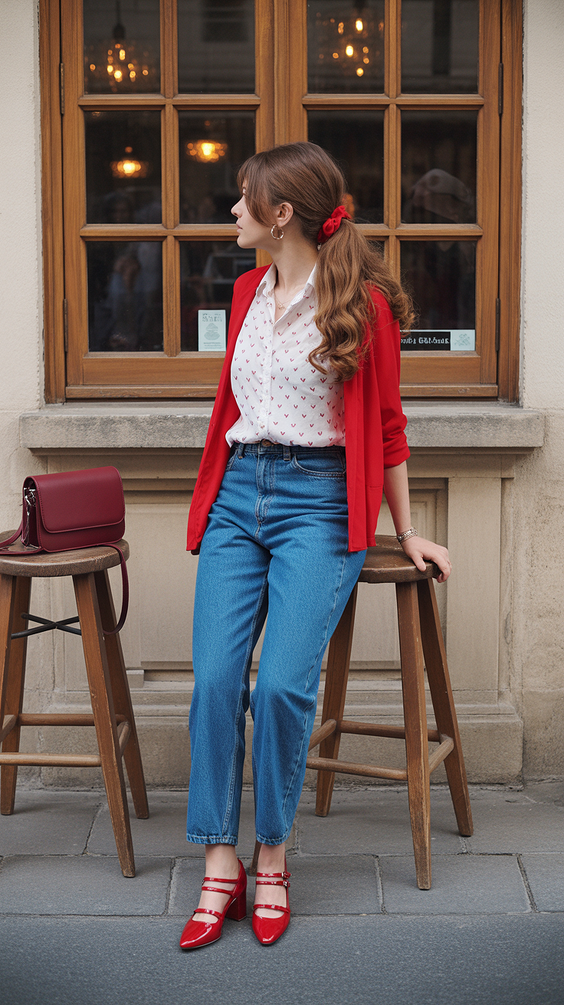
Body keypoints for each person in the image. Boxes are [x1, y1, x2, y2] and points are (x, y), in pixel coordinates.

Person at [180, 142, 451, 951]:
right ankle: (218, 857)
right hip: (238, 497)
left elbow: (391, 431)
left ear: (281, 213)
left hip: (320, 505)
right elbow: (234, 407)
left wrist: (405, 532)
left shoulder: (361, 307)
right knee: (218, 681)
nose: (234, 212)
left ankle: (272, 854)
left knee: (283, 690)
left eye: (244, 200)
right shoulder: (242, 292)